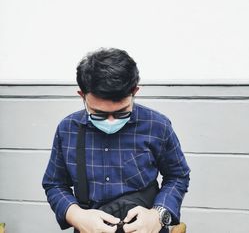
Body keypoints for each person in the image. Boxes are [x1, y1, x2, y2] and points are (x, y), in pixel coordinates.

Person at [42, 48, 190, 233]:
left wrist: (159, 215)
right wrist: (76, 215)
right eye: (99, 113)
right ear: (82, 95)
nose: (111, 121)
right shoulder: (68, 129)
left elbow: (178, 176)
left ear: (135, 91)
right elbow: (54, 184)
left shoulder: (157, 125)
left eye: (121, 112)